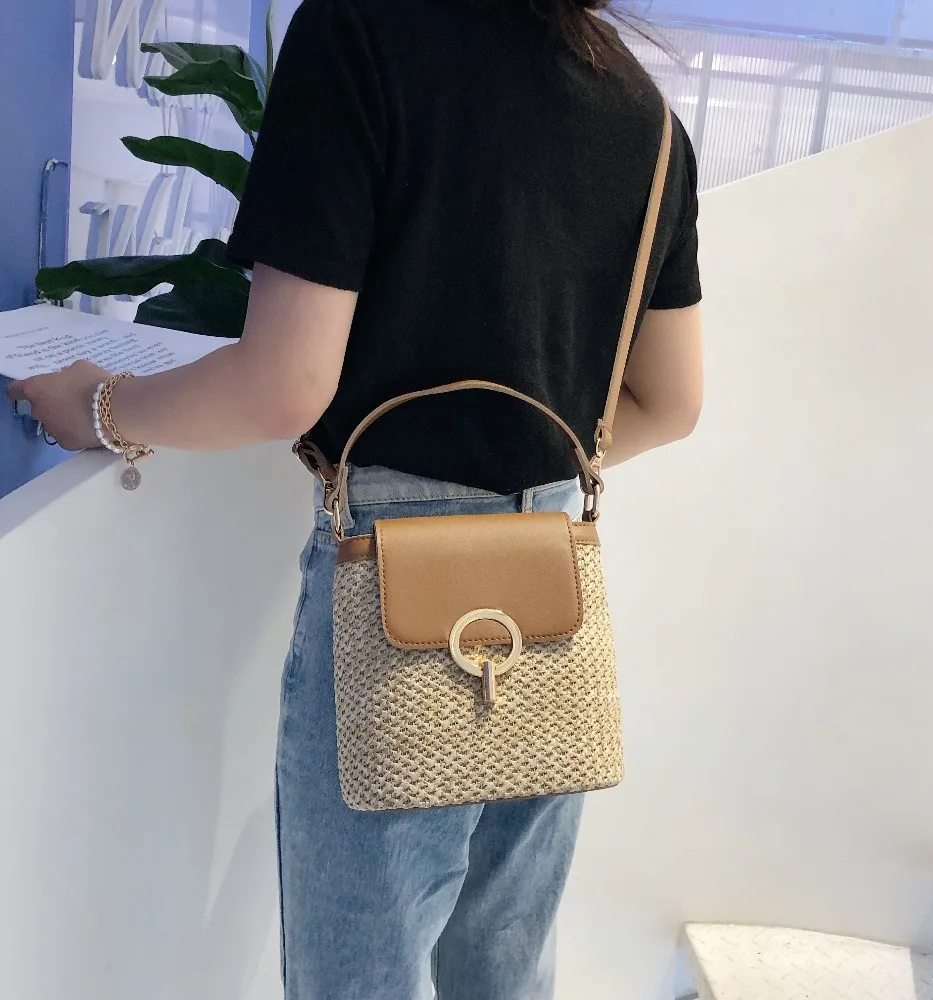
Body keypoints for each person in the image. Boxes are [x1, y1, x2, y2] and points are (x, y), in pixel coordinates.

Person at [8, 0, 704, 996]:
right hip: (552, 587)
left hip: (398, 583)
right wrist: (509, 478)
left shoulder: (363, 33)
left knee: (361, 978)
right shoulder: (640, 109)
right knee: (505, 968)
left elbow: (284, 383)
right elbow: (670, 401)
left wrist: (102, 406)